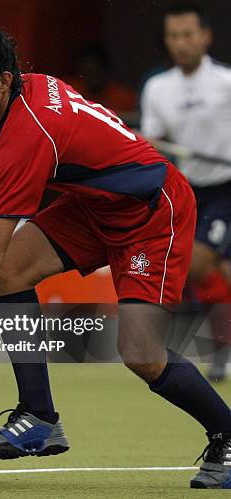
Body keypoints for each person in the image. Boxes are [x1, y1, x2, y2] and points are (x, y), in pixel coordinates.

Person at [0, 23, 231, 489]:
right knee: (12, 272)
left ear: (4, 80)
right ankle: (39, 418)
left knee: (141, 353)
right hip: (94, 207)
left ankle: (227, 434)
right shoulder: (35, 86)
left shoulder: (32, 130)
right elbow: (59, 142)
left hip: (151, 213)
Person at [141, 3, 231, 382]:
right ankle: (222, 349)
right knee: (209, 270)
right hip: (189, 189)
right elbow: (153, 140)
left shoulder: (227, 82)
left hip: (227, 185)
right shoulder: (158, 88)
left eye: (188, 35)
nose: (181, 43)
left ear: (205, 37)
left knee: (199, 264)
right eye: (174, 36)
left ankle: (221, 349)